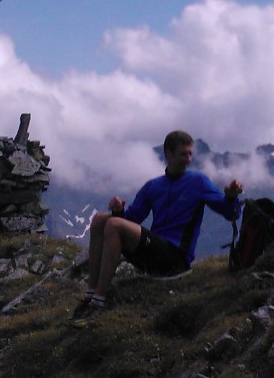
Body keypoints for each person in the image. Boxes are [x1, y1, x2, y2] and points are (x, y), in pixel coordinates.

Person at [73, 130, 242, 320]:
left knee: (114, 225)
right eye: (183, 154)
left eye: (190, 154)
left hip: (177, 258)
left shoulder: (198, 182)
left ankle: (98, 300)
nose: (188, 159)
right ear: (169, 154)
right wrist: (119, 211)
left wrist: (231, 197)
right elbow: (132, 219)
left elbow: (231, 214)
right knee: (100, 219)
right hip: (154, 252)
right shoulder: (153, 186)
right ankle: (91, 292)